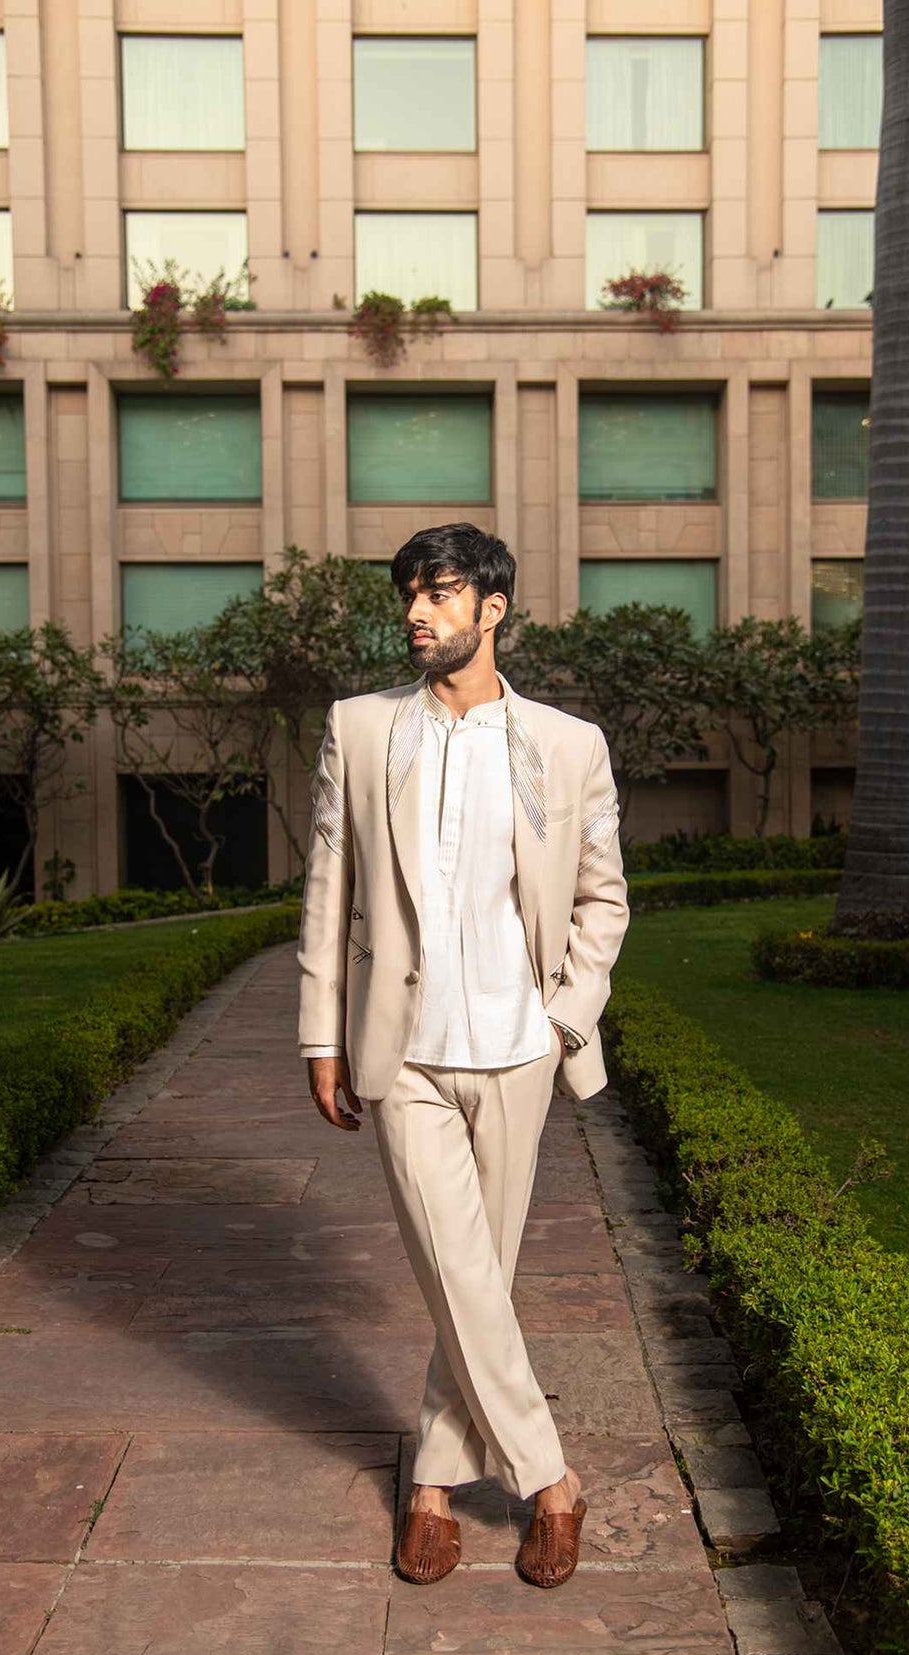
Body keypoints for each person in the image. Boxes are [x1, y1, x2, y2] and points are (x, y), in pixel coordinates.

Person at [298, 521, 630, 1588]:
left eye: (439, 594)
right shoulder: (360, 730)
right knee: (456, 1266)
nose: (416, 612)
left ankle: (434, 1486)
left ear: (493, 610)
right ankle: (551, 1482)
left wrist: (566, 1018)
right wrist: (320, 1030)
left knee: (476, 1279)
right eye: (408, 594)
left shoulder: (568, 745)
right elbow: (327, 894)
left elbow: (602, 899)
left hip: (520, 1050)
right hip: (408, 1053)